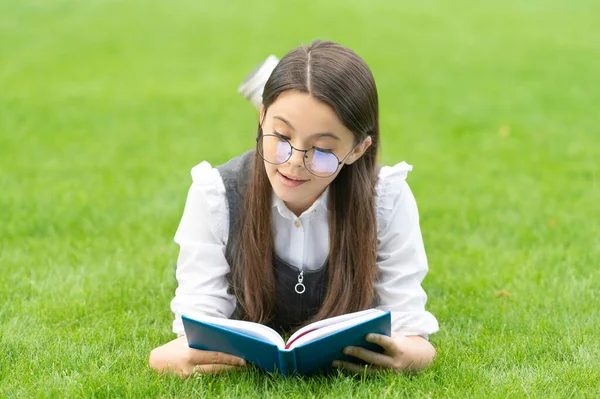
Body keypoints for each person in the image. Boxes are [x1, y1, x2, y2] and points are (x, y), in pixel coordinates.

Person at [149, 40, 439, 377]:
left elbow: (412, 331)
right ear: (261, 118)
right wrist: (171, 356)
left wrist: (409, 353)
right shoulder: (214, 194)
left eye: (322, 149)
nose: (294, 164)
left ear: (358, 149)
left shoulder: (385, 198)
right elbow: (195, 326)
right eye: (282, 136)